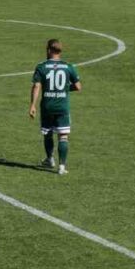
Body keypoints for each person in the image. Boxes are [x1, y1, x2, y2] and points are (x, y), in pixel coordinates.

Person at [29, 38, 81, 175]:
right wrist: (63, 89)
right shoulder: (68, 66)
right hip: (62, 106)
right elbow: (78, 87)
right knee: (63, 136)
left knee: (48, 133)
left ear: (49, 50)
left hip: (47, 106)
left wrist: (32, 105)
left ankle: (50, 159)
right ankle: (62, 167)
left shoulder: (41, 66)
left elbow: (36, 86)